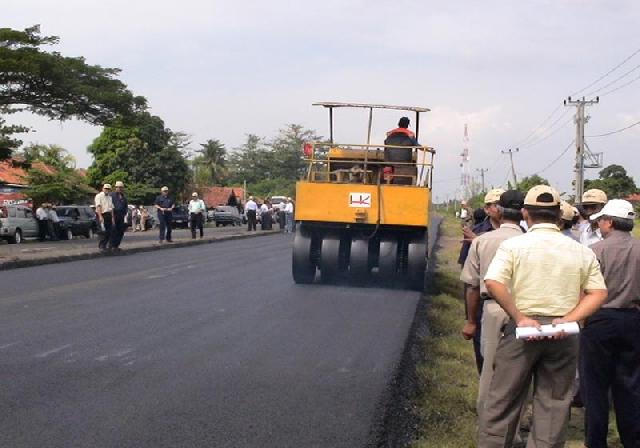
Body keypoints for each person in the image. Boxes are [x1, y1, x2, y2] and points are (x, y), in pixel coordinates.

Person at [479, 185, 608, 448]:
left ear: (525, 213)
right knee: (554, 403)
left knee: (504, 401)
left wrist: (519, 315)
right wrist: (571, 318)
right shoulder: (581, 251)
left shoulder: (514, 246)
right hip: (563, 333)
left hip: (522, 329)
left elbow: (493, 282)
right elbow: (598, 292)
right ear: (560, 214)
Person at [460, 190, 525, 424]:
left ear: (498, 210)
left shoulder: (482, 241)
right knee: (519, 370)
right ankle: (514, 425)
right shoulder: (531, 241)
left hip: (493, 309)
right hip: (525, 311)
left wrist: (470, 321)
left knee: (489, 367)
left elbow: (471, 286)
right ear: (524, 211)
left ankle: (488, 423)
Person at [581, 199, 640, 448]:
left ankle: (596, 441)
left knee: (595, 387)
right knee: (631, 384)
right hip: (633, 319)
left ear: (610, 222)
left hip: (600, 320)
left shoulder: (596, 251)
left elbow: (585, 290)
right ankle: (633, 440)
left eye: (602, 221)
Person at [458, 188, 505, 373]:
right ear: (486, 209)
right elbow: (470, 278)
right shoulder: (476, 232)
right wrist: (470, 319)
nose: (500, 209)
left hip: (515, 302)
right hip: (485, 301)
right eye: (496, 205)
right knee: (484, 353)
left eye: (503, 205)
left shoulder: (522, 234)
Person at [94, 183, 115, 251]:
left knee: (109, 231)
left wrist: (112, 217)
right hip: (101, 214)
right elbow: (98, 206)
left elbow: (111, 208)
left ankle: (105, 245)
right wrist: (100, 216)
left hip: (108, 215)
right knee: (102, 231)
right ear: (103, 189)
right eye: (106, 188)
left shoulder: (110, 197)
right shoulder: (99, 196)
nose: (107, 190)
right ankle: (101, 246)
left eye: (108, 189)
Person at [110, 181, 128, 251]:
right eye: (118, 187)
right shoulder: (112, 195)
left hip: (121, 216)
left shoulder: (123, 197)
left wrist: (125, 213)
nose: (119, 188)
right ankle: (111, 246)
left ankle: (116, 246)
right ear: (115, 188)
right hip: (114, 215)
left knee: (121, 231)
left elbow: (126, 206)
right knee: (114, 231)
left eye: (120, 187)